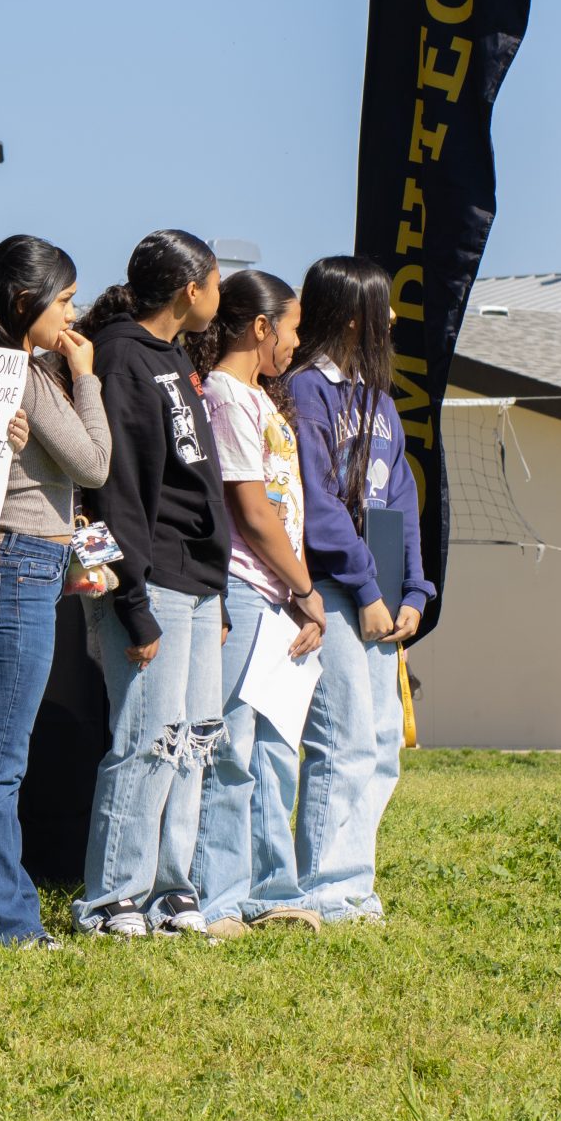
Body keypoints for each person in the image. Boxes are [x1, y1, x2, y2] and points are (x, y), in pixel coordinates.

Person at [0, 235, 108, 948]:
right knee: (0, 756)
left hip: (2, 559)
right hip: (18, 563)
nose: (72, 314)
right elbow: (94, 463)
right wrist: (86, 376)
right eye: (63, 299)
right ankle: (6, 918)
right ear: (23, 302)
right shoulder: (28, 374)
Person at [73, 231, 229, 940]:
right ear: (189, 288)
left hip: (196, 581)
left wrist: (217, 587)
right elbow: (120, 489)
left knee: (193, 740)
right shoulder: (122, 353)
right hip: (151, 577)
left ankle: (172, 886)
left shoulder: (175, 358)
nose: (219, 296)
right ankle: (111, 895)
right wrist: (131, 602)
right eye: (217, 282)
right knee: (145, 736)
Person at [287, 256, 434, 924]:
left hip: (381, 598)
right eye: (382, 307)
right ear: (351, 315)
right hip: (337, 590)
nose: (394, 318)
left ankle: (355, 879)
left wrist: (415, 589)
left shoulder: (379, 401)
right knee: (341, 738)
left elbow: (400, 500)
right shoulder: (306, 392)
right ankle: (325, 885)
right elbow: (318, 506)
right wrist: (368, 587)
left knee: (380, 742)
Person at [189, 271, 325, 939]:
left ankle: (274, 887)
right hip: (245, 587)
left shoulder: (262, 400)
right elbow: (251, 508)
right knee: (231, 745)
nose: (297, 343)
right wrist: (305, 586)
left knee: (274, 747)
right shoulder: (224, 394)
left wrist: (294, 593)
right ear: (261, 326)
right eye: (293, 327)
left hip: (275, 594)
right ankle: (217, 896)